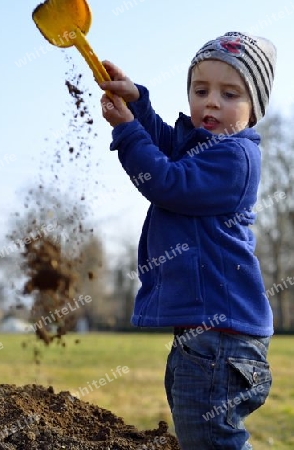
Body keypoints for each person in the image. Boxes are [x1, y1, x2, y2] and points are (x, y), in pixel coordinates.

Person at [99, 31, 277, 450]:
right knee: (205, 438)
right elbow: (165, 145)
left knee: (211, 441)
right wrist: (138, 105)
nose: (211, 102)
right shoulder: (207, 147)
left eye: (230, 93)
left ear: (254, 111)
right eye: (201, 90)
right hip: (206, 339)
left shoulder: (235, 158)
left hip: (222, 341)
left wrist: (127, 132)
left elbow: (166, 180)